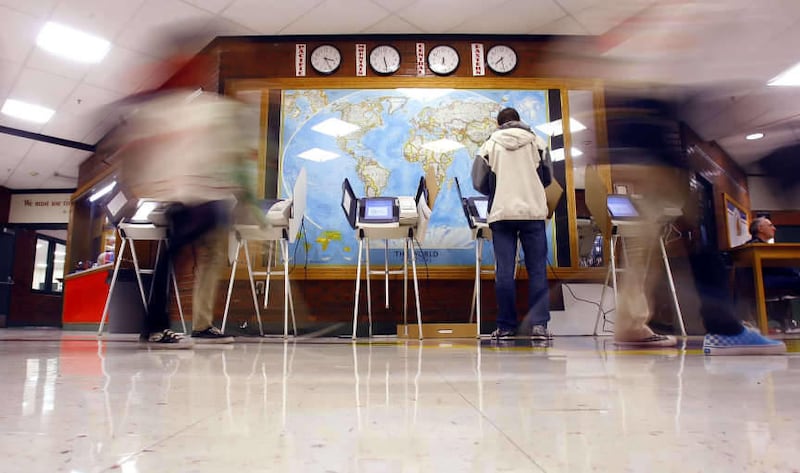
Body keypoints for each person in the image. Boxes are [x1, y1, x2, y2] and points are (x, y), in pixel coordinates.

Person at [605, 93, 785, 354]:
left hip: (633, 151)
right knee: (698, 238)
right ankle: (725, 329)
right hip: (655, 158)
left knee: (644, 250)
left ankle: (632, 325)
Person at [115, 89, 265, 347]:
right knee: (177, 259)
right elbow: (234, 164)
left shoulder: (203, 113)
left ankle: (188, 326)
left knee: (194, 258)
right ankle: (160, 327)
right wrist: (250, 202)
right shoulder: (218, 115)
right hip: (197, 200)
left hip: (197, 198)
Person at [471, 107, 551, 340]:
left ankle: (506, 327)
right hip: (533, 212)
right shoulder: (537, 142)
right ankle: (539, 326)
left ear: (499, 124)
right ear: (519, 120)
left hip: (502, 213)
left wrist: (497, 191)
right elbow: (547, 177)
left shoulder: (488, 145)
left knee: (504, 272)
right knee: (537, 270)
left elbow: (478, 181)